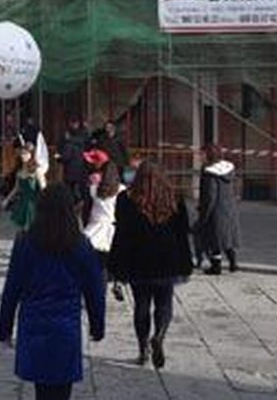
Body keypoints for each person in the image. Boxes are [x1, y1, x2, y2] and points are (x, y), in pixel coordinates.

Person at [0, 185, 105, 400]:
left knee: (43, 392)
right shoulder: (80, 245)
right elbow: (94, 289)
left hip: (34, 325)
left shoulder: (26, 243)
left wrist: (5, 327)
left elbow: (12, 288)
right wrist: (98, 325)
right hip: (65, 327)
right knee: (60, 395)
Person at [109, 164, 194, 368]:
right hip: (167, 259)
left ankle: (143, 349)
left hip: (138, 259)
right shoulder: (174, 198)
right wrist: (186, 262)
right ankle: (159, 335)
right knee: (164, 302)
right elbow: (182, 233)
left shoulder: (126, 199)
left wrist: (115, 265)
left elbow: (121, 234)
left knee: (141, 304)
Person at [195, 146, 241, 275]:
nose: (199, 157)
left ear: (208, 155)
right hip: (229, 208)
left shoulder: (209, 173)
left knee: (213, 239)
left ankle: (216, 266)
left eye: (202, 154)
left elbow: (210, 195)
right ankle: (233, 263)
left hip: (215, 210)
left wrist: (204, 213)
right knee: (227, 238)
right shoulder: (228, 170)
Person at [83, 164, 122, 298]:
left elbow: (87, 210)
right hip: (112, 227)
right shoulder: (121, 190)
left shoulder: (94, 189)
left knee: (98, 264)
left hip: (95, 228)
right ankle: (116, 282)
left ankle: (98, 290)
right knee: (113, 260)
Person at [1, 143, 42, 232]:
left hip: (33, 203)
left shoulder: (37, 170)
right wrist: (7, 200)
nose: (23, 156)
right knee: (23, 230)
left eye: (26, 153)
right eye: (22, 153)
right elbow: (16, 188)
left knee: (32, 229)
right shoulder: (19, 171)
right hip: (23, 202)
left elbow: (43, 188)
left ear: (31, 154)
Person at [59, 117, 90, 207]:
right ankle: (80, 203)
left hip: (70, 170)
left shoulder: (69, 142)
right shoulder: (83, 138)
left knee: (70, 190)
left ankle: (72, 205)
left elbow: (66, 156)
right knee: (80, 189)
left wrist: (59, 158)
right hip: (81, 168)